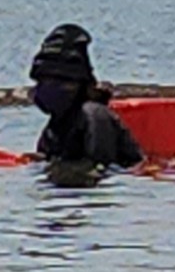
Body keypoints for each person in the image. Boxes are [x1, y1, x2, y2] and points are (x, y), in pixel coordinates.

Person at [28, 23, 142, 167]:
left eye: (54, 82)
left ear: (78, 84)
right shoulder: (55, 127)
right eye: (41, 82)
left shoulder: (94, 116)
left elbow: (100, 168)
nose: (45, 89)